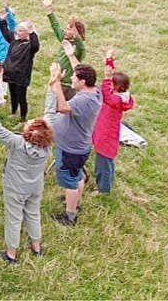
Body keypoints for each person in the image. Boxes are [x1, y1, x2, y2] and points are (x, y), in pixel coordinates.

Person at [0, 87, 53, 265]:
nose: (27, 121)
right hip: (35, 187)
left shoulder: (17, 143)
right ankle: (37, 247)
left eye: (29, 123)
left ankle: (11, 254)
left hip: (15, 188)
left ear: (28, 134)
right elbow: (50, 113)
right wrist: (51, 87)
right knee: (33, 214)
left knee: (14, 218)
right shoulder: (47, 146)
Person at [46, 41, 102, 226]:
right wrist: (71, 55)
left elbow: (62, 107)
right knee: (77, 175)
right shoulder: (95, 91)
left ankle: (70, 216)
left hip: (70, 149)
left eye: (74, 78)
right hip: (79, 146)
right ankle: (75, 202)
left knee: (69, 181)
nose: (72, 79)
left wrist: (57, 83)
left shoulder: (83, 101)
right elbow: (81, 70)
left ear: (82, 82)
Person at [92, 47, 135, 194]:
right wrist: (109, 59)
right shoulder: (119, 96)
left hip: (106, 136)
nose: (109, 84)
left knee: (102, 164)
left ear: (118, 86)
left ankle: (103, 190)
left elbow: (107, 95)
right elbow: (109, 81)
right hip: (105, 134)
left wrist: (106, 78)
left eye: (112, 83)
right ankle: (107, 184)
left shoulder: (116, 99)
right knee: (107, 161)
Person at [42, 0, 86, 100]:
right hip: (58, 80)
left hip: (69, 85)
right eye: (66, 28)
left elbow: (80, 44)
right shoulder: (64, 39)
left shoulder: (79, 48)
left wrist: (75, 34)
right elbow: (55, 25)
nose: (66, 31)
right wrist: (48, 8)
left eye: (69, 29)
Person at [0, 18, 40, 124]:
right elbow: (5, 33)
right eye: (18, 30)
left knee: (21, 97)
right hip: (11, 74)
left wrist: (32, 32)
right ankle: (13, 112)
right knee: (13, 94)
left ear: (27, 33)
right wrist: (3, 20)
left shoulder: (29, 46)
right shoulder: (14, 41)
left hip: (21, 75)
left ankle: (23, 119)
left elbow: (36, 46)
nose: (18, 32)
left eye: (21, 30)